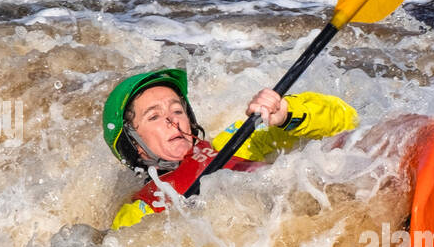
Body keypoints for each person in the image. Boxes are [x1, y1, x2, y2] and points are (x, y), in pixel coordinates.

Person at [101, 68, 358, 230]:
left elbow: (345, 120)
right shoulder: (138, 212)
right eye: (154, 117)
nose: (173, 120)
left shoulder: (234, 143)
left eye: (177, 110)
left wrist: (286, 113)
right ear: (133, 143)